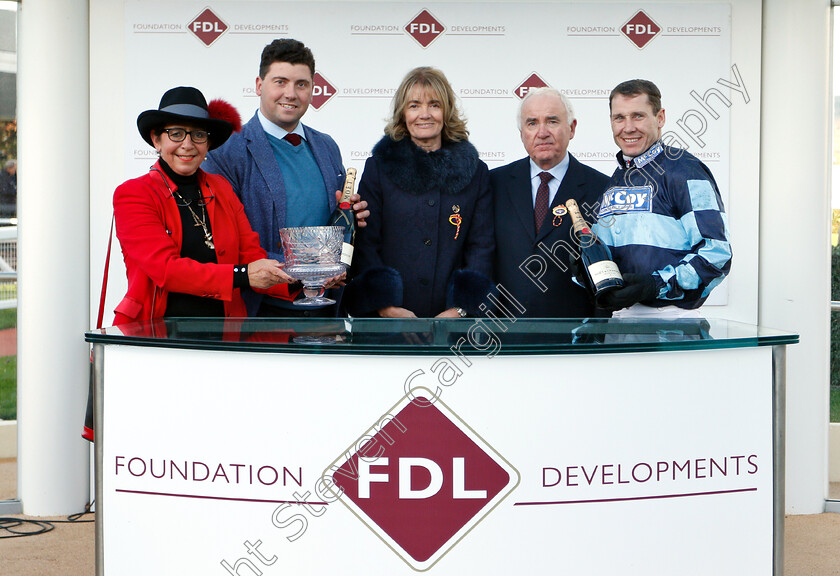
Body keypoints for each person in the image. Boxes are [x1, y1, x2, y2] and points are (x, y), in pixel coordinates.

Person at [203, 38, 368, 317]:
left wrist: (353, 218)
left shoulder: (327, 146)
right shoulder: (227, 152)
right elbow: (226, 240)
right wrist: (304, 273)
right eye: (280, 82)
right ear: (259, 85)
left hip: (326, 309)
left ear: (313, 89)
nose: (290, 93)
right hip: (263, 311)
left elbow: (338, 222)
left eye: (301, 84)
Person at [112, 86, 295, 324]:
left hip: (223, 337)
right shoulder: (133, 194)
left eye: (198, 134)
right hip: (155, 336)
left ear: (208, 144)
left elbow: (252, 257)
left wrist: (305, 279)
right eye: (176, 133)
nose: (188, 144)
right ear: (157, 140)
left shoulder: (222, 188)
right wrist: (241, 275)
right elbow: (166, 270)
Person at [346, 66, 494, 318]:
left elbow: (481, 247)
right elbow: (366, 244)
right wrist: (386, 307)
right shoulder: (379, 168)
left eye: (434, 105)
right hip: (387, 325)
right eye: (414, 105)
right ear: (403, 113)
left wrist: (459, 310)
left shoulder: (475, 172)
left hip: (453, 328)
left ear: (446, 111)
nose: (424, 114)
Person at [592, 79, 732, 318]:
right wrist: (585, 271)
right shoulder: (615, 181)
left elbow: (716, 253)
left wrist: (656, 284)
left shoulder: (685, 170)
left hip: (672, 320)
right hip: (622, 320)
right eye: (619, 118)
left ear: (660, 118)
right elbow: (607, 258)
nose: (628, 128)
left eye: (638, 116)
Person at [490, 87, 609, 318]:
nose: (542, 132)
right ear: (521, 132)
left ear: (572, 128)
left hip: (574, 340)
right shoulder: (492, 184)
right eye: (532, 123)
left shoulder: (602, 189)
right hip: (502, 339)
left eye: (552, 121)